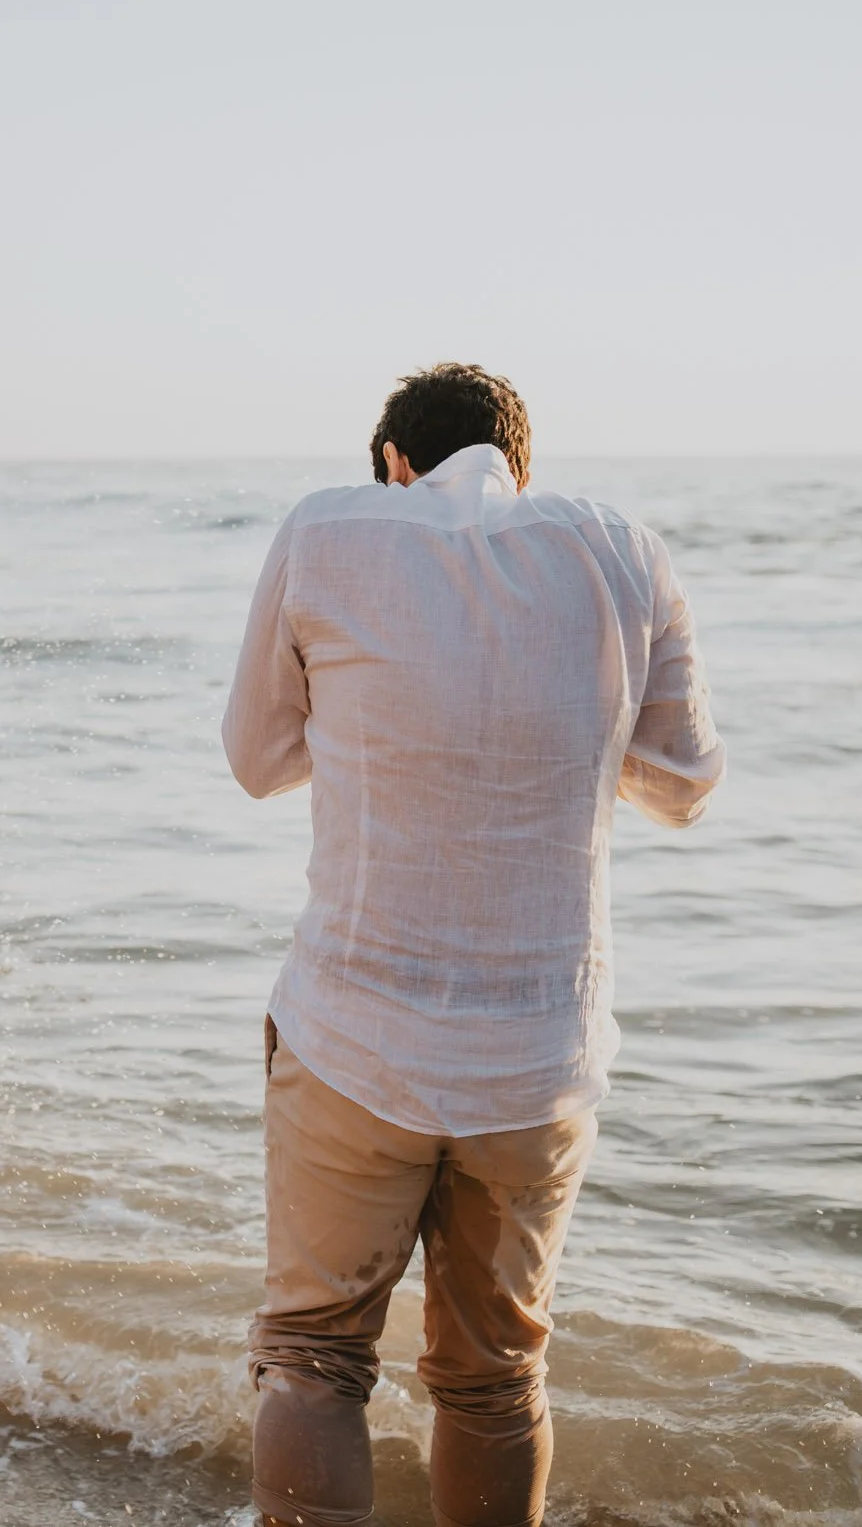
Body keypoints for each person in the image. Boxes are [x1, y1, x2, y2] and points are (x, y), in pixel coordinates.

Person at [221, 365, 723, 1527]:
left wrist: (374, 725)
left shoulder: (325, 528)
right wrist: (572, 739)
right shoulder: (623, 549)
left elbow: (255, 755)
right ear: (518, 463)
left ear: (395, 460)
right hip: (538, 1055)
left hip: (353, 1031)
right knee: (497, 1380)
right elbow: (690, 783)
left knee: (311, 1358)